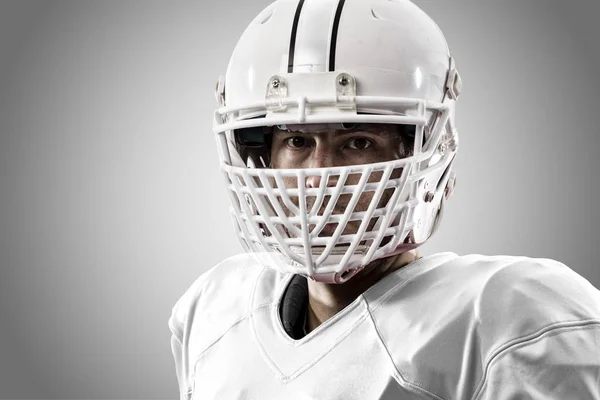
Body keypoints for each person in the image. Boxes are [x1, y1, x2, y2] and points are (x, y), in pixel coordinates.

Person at [169, 0, 600, 398]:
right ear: (261, 155)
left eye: (358, 142)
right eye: (298, 140)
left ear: (422, 152)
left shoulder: (505, 320)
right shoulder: (213, 312)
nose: (319, 178)